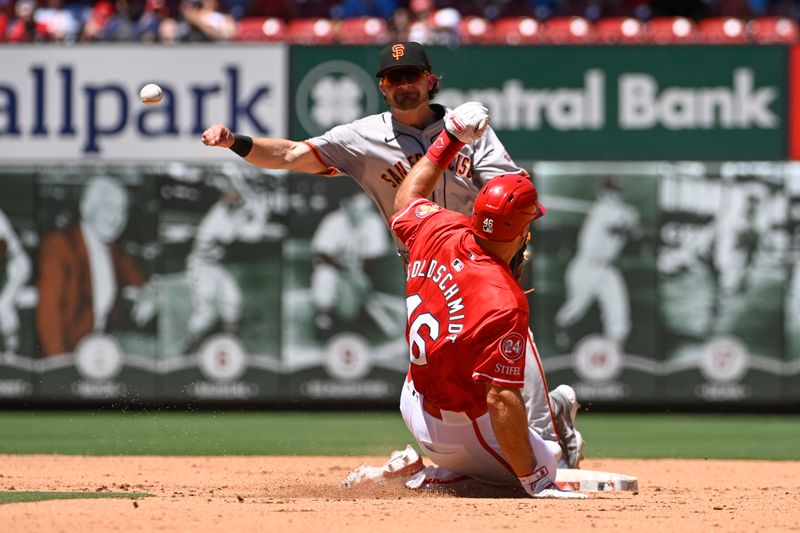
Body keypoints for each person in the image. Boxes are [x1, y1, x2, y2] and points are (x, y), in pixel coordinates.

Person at [201, 40, 583, 467]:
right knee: (440, 368)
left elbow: (514, 189)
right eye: (392, 78)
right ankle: (495, 452)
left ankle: (555, 446)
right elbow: (291, 154)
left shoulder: (469, 128)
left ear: (429, 79)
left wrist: (512, 238)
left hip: (478, 261)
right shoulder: (362, 138)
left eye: (411, 75)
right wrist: (238, 142)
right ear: (382, 86)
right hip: (424, 268)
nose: (403, 85)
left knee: (512, 356)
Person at [345, 103, 585, 499]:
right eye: (528, 223)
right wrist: (536, 482)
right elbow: (501, 399)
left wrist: (449, 139)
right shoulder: (504, 300)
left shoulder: (436, 226)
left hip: (413, 402)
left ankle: (448, 465)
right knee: (544, 464)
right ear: (520, 231)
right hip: (457, 430)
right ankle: (434, 475)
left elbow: (407, 196)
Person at [36, 176, 157, 357]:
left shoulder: (113, 248)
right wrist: (58, 367)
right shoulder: (59, 246)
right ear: (86, 209)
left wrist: (148, 296)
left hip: (101, 344)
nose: (116, 217)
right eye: (108, 207)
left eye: (121, 210)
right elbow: (48, 314)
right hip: (69, 352)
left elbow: (139, 278)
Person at [183, 168, 279, 353]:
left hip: (216, 266)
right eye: (229, 194)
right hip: (201, 268)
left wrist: (252, 202)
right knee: (206, 312)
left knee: (233, 301)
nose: (233, 196)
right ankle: (189, 342)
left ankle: (230, 341)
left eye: (233, 193)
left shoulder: (231, 209)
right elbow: (252, 235)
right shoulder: (218, 218)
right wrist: (259, 214)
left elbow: (243, 201)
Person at [555, 177, 640, 349]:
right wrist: (629, 218)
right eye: (609, 191)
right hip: (586, 267)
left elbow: (636, 234)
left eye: (616, 191)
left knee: (618, 309)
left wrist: (631, 219)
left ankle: (615, 346)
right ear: (602, 193)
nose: (613, 194)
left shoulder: (621, 211)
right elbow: (617, 226)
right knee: (575, 309)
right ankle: (561, 331)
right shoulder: (601, 210)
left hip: (607, 268)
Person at [310, 192, 400, 336]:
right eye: (357, 208)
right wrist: (347, 271)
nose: (361, 213)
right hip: (333, 270)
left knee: (349, 314)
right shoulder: (333, 221)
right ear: (345, 205)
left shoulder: (374, 223)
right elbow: (322, 254)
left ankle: (361, 310)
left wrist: (363, 280)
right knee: (324, 276)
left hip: (358, 272)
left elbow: (372, 259)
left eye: (366, 208)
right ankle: (323, 316)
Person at [0, 209, 32, 354]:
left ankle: (12, 346)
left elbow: (3, 248)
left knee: (3, 305)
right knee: (11, 301)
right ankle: (42, 296)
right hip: (9, 266)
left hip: (17, 265)